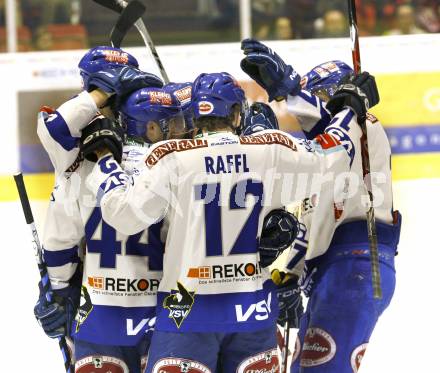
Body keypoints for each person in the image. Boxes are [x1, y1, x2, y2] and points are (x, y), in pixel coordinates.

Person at [82, 65, 361, 371]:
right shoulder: (270, 150)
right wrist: (348, 111)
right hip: (253, 313)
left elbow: (125, 216)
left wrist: (105, 161)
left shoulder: (170, 157)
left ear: (194, 118)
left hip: (186, 315)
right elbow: (335, 158)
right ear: (237, 115)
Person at [240, 39, 401, 373]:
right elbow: (307, 228)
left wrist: (294, 92)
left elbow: (335, 132)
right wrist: (286, 278)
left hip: (355, 268)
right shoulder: (330, 150)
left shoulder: (364, 128)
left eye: (324, 97)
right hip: (337, 271)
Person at [33, 46, 184, 372]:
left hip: (97, 311)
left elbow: (60, 236)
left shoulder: (81, 160)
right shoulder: (174, 166)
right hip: (157, 309)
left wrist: (58, 289)